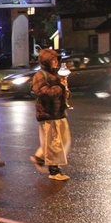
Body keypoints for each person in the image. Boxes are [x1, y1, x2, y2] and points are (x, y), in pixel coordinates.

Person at [30, 48, 71, 181]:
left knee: (64, 140)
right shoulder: (40, 75)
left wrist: (65, 90)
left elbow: (62, 94)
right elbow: (43, 93)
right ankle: (54, 170)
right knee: (54, 142)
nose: (55, 63)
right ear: (46, 61)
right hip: (48, 113)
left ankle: (40, 157)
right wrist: (60, 87)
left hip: (59, 112)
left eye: (56, 60)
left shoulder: (56, 75)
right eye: (52, 60)